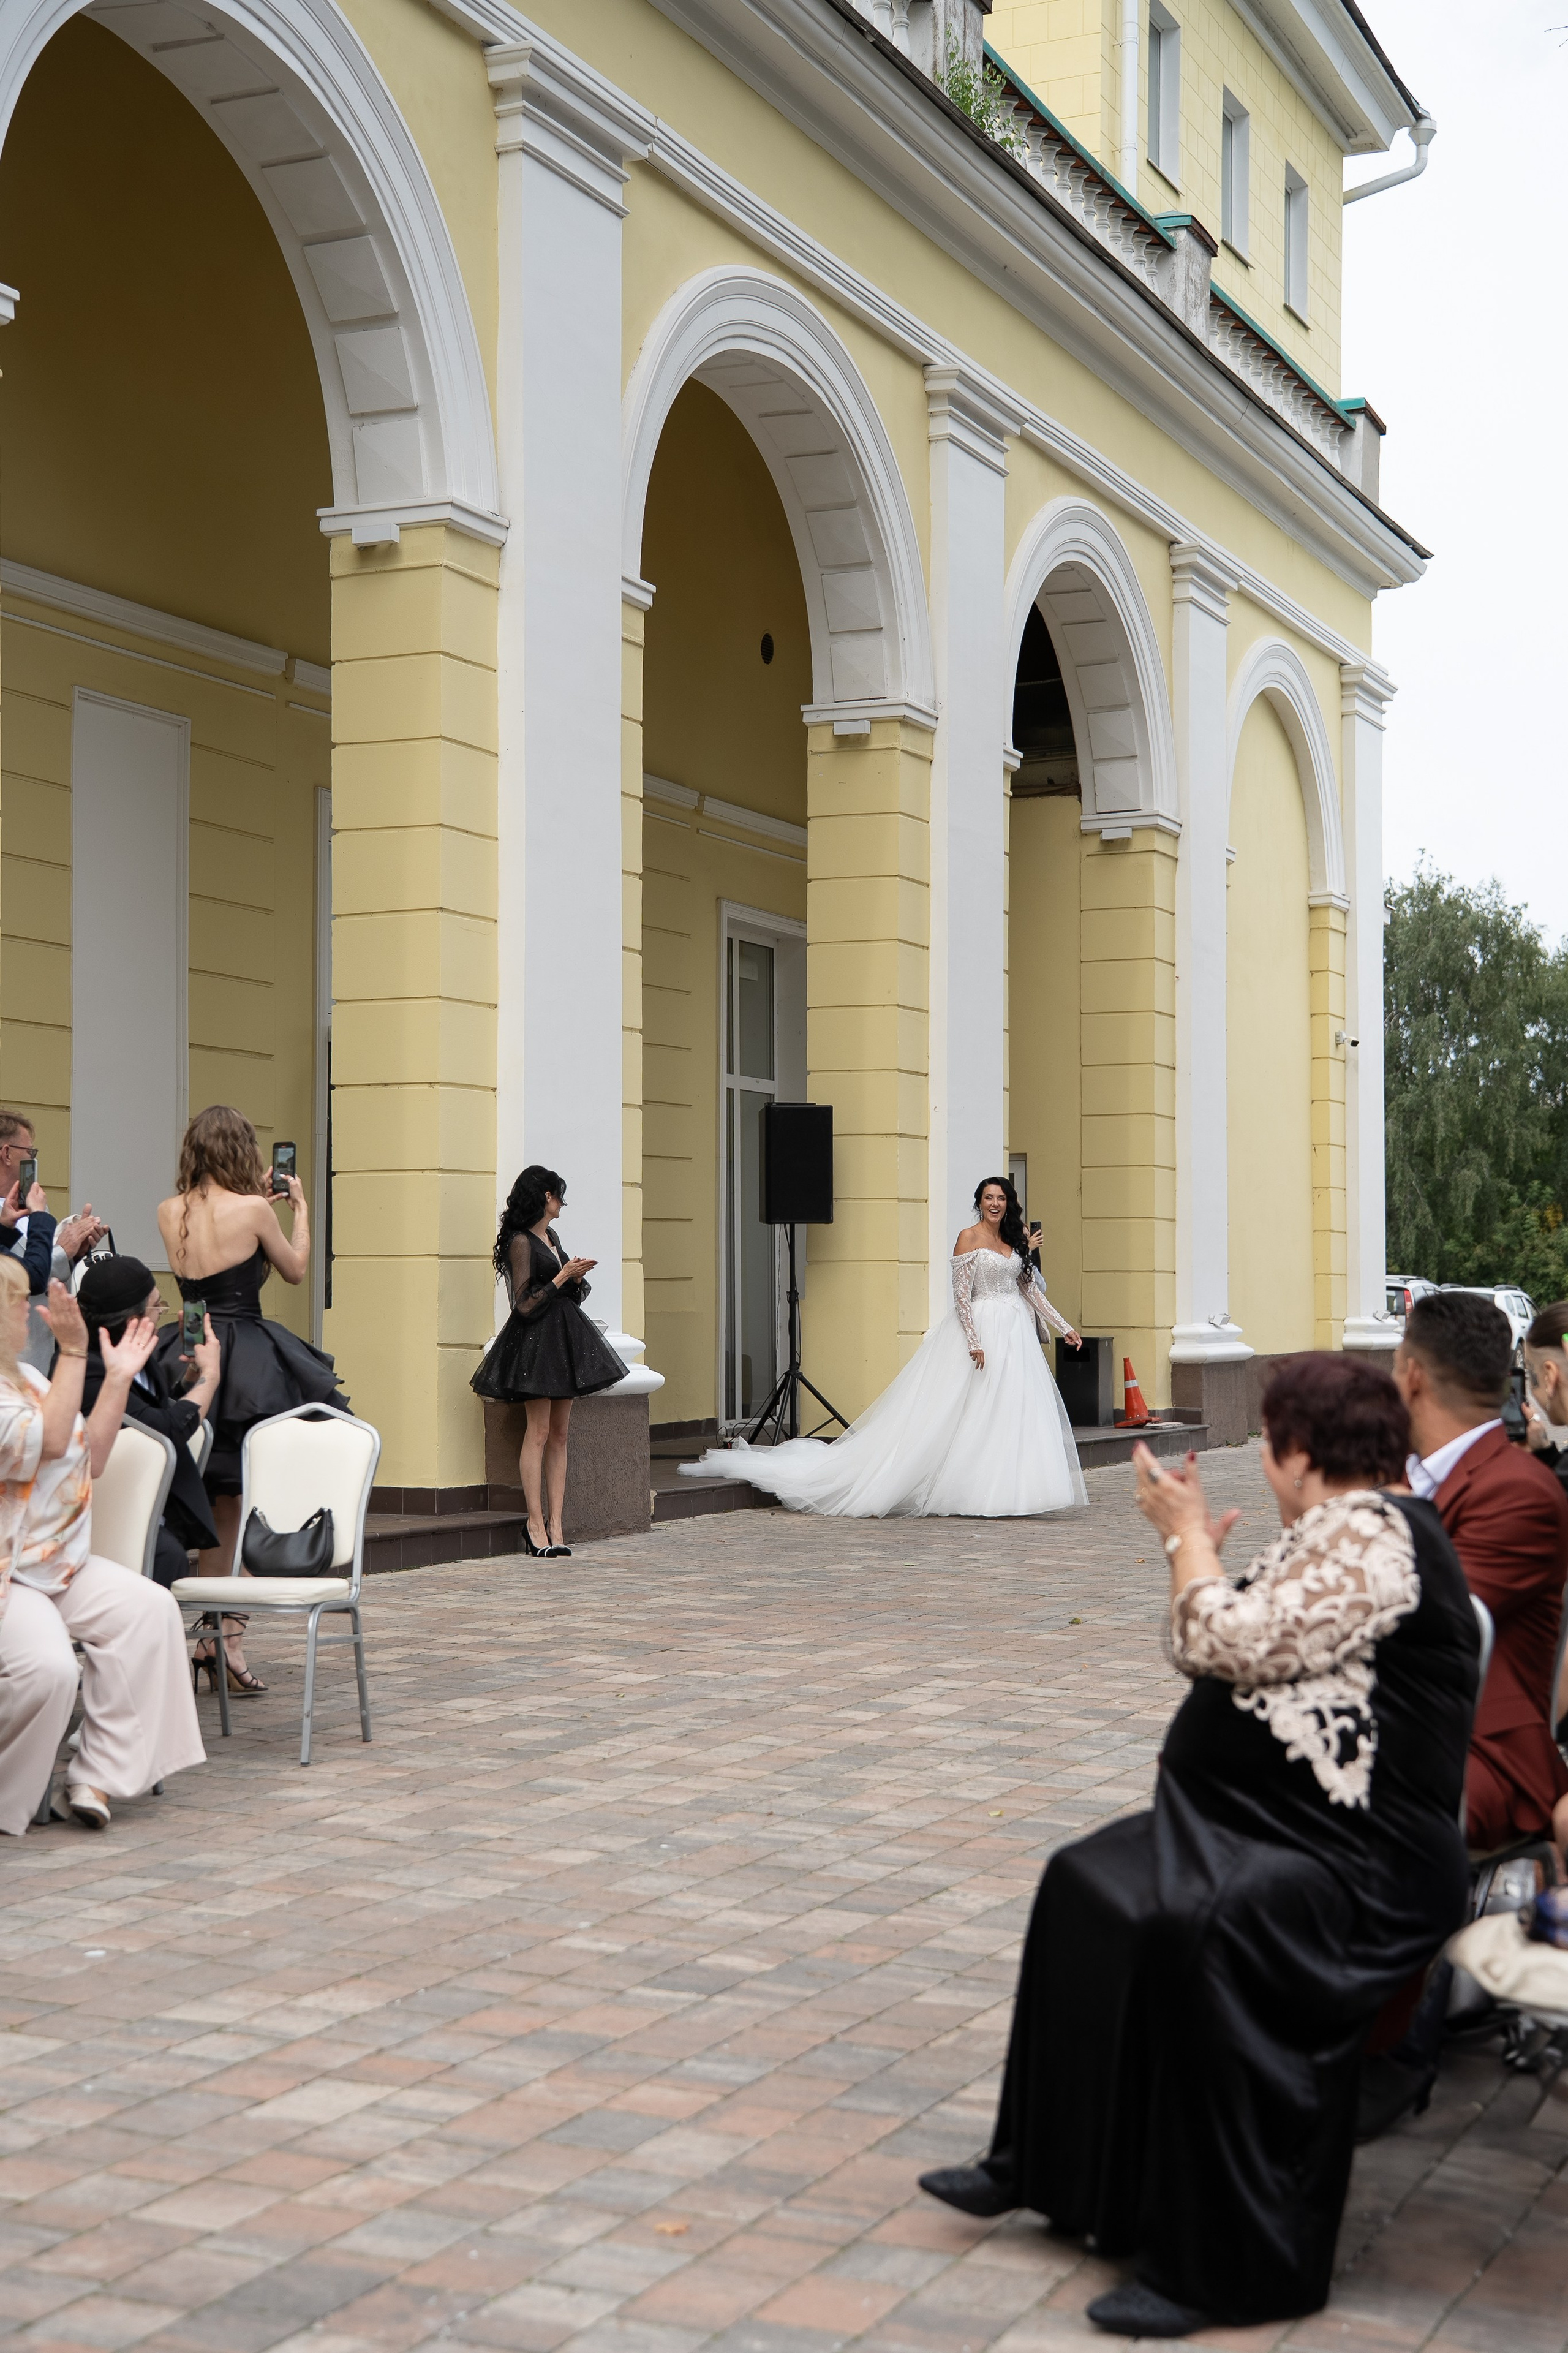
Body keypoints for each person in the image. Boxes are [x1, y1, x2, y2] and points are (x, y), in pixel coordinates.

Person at [918, 1354, 1477, 2334]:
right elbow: (1210, 1637)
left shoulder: (1380, 1539)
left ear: (1298, 1450)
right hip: (1262, 1828)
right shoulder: (1335, 1532)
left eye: (1268, 1441)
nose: (1264, 1459)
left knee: (1202, 1931)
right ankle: (1051, 2170)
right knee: (1088, 1883)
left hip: (1357, 1861)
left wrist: (1188, 1547)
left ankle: (1224, 2270)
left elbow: (1223, 1641)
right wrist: (1194, 1556)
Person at [681, 1174, 1086, 1518]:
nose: (995, 1203)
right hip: (983, 1331)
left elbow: (1031, 1292)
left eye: (1001, 1198)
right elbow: (962, 1297)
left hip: (1015, 1333)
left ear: (1009, 1203)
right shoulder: (968, 1238)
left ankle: (1015, 1488)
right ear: (979, 1202)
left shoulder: (1015, 1242)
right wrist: (974, 1342)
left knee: (1012, 1409)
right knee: (973, 1410)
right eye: (988, 1198)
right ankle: (971, 1489)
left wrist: (1064, 1326)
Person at [0, 1258, 205, 1835]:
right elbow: (48, 1440)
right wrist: (74, 1351)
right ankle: (8, 1795)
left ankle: (94, 1776)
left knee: (149, 1609)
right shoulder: (41, 1375)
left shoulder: (30, 1378)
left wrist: (116, 1377)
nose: (29, 1310)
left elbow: (91, 1454)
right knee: (49, 1668)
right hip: (9, 1571)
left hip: (56, 1563)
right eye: (17, 1301)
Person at [156, 1105, 347, 1694]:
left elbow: (204, 1289)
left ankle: (214, 1640)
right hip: (249, 1355)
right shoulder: (257, 1209)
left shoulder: (171, 1210)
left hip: (192, 1342)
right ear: (242, 1150)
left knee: (221, 1505)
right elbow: (292, 1269)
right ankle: (227, 1634)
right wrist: (303, 1216)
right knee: (263, 1492)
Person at [1393, 1290, 1568, 1861]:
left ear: (1412, 1375)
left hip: (1479, 1751)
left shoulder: (1519, 1489)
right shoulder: (1398, 1474)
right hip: (1397, 1728)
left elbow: (1424, 1626)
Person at [74, 1256, 222, 1587]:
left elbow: (150, 1409)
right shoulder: (88, 1367)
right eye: (157, 1307)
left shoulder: (133, 1354)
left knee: (170, 1550)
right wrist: (210, 1378)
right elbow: (164, 1432)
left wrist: (192, 1376)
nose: (160, 1315)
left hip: (147, 1502)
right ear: (133, 1320)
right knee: (167, 1555)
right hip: (102, 1511)